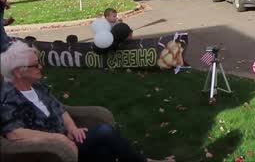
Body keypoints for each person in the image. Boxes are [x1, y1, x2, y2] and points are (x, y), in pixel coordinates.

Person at [0, 41, 174, 162]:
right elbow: (14, 133)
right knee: (104, 131)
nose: (40, 68)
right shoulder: (7, 97)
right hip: (49, 149)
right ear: (17, 72)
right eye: (35, 66)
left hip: (66, 137)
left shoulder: (37, 86)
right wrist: (58, 138)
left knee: (103, 151)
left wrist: (73, 128)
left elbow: (60, 109)